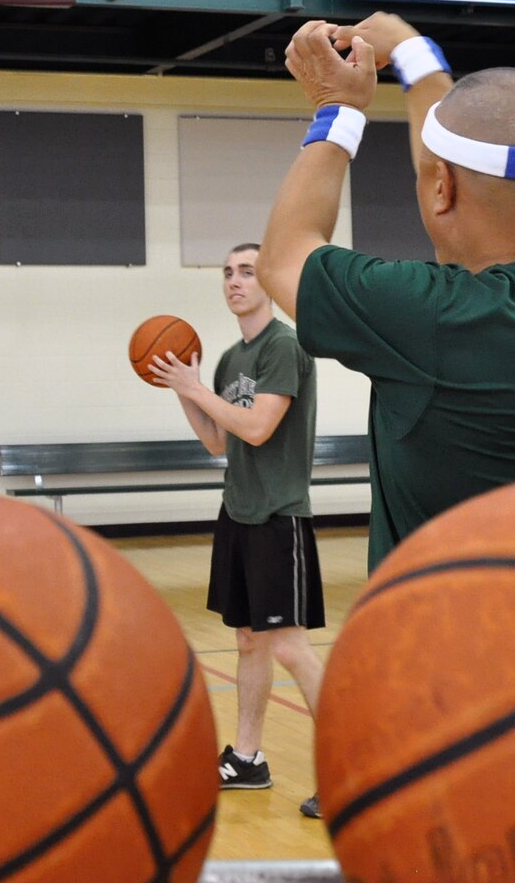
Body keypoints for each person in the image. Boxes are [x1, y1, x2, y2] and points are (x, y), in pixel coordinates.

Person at [256, 12, 515, 580]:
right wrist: (412, 54)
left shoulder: (432, 316)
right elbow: (446, 177)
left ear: (441, 188)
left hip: (453, 654)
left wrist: (337, 110)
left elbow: (283, 258)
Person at [148, 243, 326, 819]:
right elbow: (218, 442)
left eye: (246, 271)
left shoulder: (285, 346)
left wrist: (198, 391)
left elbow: (256, 426)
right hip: (239, 514)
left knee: (290, 645)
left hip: (280, 516)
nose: (234, 281)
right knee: (249, 639)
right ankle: (248, 758)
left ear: (268, 283)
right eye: (226, 273)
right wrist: (185, 389)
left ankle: (355, 762)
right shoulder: (229, 360)